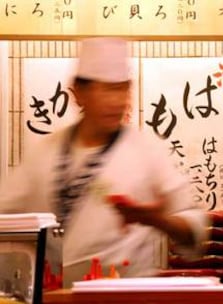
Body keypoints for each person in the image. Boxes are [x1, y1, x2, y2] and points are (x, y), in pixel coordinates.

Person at [0, 37, 209, 286]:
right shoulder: (44, 152)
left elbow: (195, 227)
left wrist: (156, 220)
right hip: (56, 295)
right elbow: (6, 213)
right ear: (78, 92)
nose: (117, 101)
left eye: (123, 89)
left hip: (127, 293)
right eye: (107, 89)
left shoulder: (146, 150)